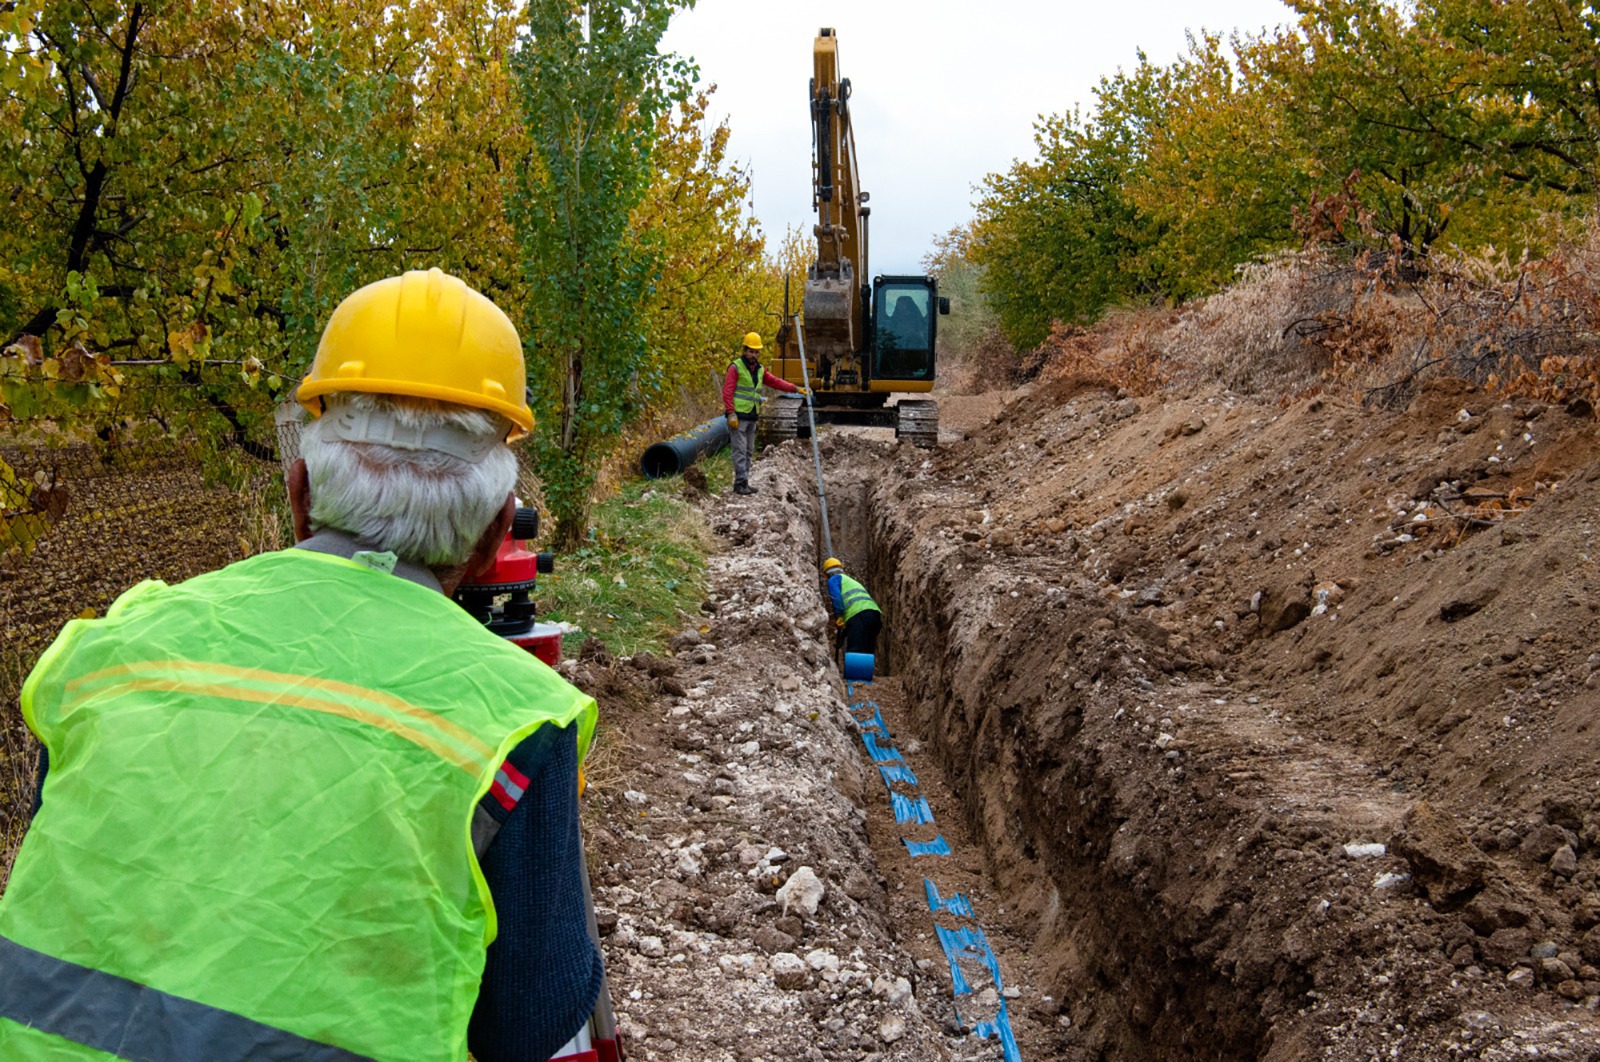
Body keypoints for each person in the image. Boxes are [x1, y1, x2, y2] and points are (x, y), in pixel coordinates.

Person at [0, 269, 602, 1061]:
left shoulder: (110, 653)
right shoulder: (514, 724)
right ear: (495, 537)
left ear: (299, 490)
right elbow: (534, 1020)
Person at [723, 331, 805, 495]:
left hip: (752, 415)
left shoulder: (760, 370)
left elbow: (775, 382)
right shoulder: (735, 367)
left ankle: (744, 481)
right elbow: (727, 391)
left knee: (748, 450)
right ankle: (740, 483)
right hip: (738, 416)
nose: (754, 355)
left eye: (756, 352)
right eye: (751, 351)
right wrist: (731, 412)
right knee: (739, 450)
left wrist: (795, 388)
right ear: (745, 351)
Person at [823, 556, 882, 658]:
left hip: (858, 615)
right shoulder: (850, 581)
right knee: (867, 651)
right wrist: (843, 637)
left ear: (826, 575)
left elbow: (836, 597)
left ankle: (854, 674)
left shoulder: (833, 579)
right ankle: (865, 673)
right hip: (875, 615)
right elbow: (854, 622)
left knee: (855, 652)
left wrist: (839, 616)